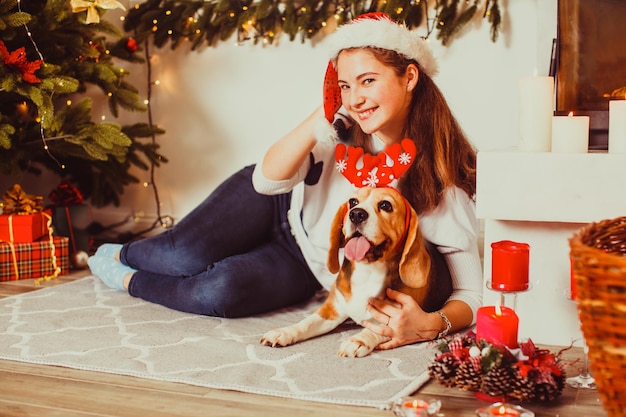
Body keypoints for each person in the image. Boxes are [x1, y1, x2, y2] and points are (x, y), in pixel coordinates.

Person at [88, 12, 483, 350]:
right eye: (345, 86)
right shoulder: (340, 130)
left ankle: (126, 278)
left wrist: (431, 325)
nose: (356, 98)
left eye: (367, 81)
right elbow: (266, 181)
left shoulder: (441, 182)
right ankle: (118, 253)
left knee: (216, 292)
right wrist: (322, 118)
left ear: (409, 77)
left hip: (307, 263)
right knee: (180, 257)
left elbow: (471, 294)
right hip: (276, 203)